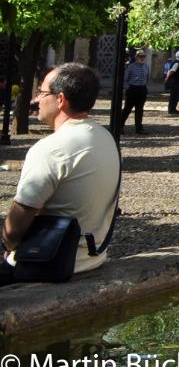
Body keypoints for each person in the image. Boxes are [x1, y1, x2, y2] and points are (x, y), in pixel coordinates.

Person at [1, 64, 120, 282]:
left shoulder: (52, 149)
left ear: (60, 99)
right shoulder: (106, 138)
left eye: (42, 93)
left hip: (47, 265)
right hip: (92, 258)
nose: (37, 100)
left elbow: (13, 230)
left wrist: (7, 246)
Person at [117, 50, 149, 135]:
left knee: (139, 110)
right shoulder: (131, 67)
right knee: (127, 109)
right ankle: (120, 126)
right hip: (133, 89)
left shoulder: (146, 66)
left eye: (143, 56)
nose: (142, 58)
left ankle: (139, 128)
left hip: (142, 89)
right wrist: (128, 88)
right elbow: (125, 79)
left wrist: (145, 87)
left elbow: (147, 78)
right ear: (136, 57)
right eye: (140, 56)